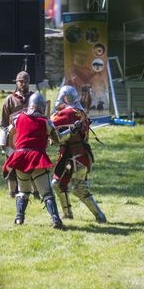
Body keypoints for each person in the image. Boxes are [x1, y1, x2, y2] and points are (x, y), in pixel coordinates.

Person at [2, 93, 63, 228]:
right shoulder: (45, 121)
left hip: (20, 157)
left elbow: (9, 132)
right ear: (41, 107)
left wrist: (14, 146)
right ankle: (56, 219)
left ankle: (19, 218)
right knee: (46, 192)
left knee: (23, 191)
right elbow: (58, 139)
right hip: (37, 158)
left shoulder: (18, 118)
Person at [50, 85, 107, 223]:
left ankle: (99, 216)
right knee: (59, 183)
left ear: (65, 97)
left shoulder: (67, 113)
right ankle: (68, 214)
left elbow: (50, 123)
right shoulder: (79, 111)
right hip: (78, 156)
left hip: (75, 157)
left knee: (76, 187)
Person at [0, 71, 34, 197]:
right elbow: (4, 123)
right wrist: (3, 143)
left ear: (29, 83)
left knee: (32, 166)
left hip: (30, 138)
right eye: (20, 82)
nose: (23, 84)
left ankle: (35, 192)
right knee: (12, 166)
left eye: (25, 82)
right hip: (13, 139)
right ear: (16, 83)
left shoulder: (34, 98)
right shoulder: (9, 99)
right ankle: (12, 192)